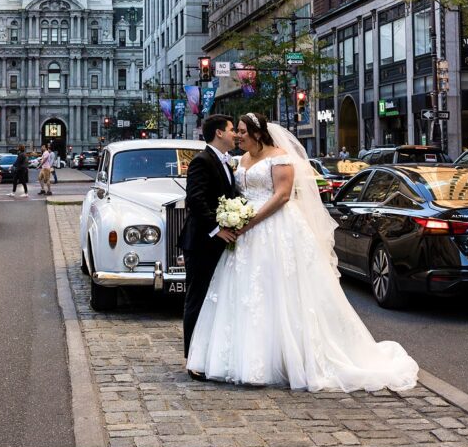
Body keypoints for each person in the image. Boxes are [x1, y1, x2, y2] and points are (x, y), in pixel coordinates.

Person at [187, 112, 418, 393]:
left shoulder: (281, 156)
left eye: (244, 131)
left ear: (258, 133)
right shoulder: (240, 161)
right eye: (237, 131)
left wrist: (249, 221)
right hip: (245, 236)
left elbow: (282, 196)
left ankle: (292, 358)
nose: (239, 135)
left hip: (275, 227)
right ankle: (246, 358)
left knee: (284, 292)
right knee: (249, 295)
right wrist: (235, 219)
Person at [178, 114, 239, 374]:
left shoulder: (225, 161)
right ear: (219, 133)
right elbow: (196, 199)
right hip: (202, 242)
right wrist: (217, 229)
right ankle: (193, 359)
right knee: (197, 299)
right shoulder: (202, 161)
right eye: (232, 129)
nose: (236, 133)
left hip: (216, 243)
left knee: (213, 299)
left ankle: (208, 354)